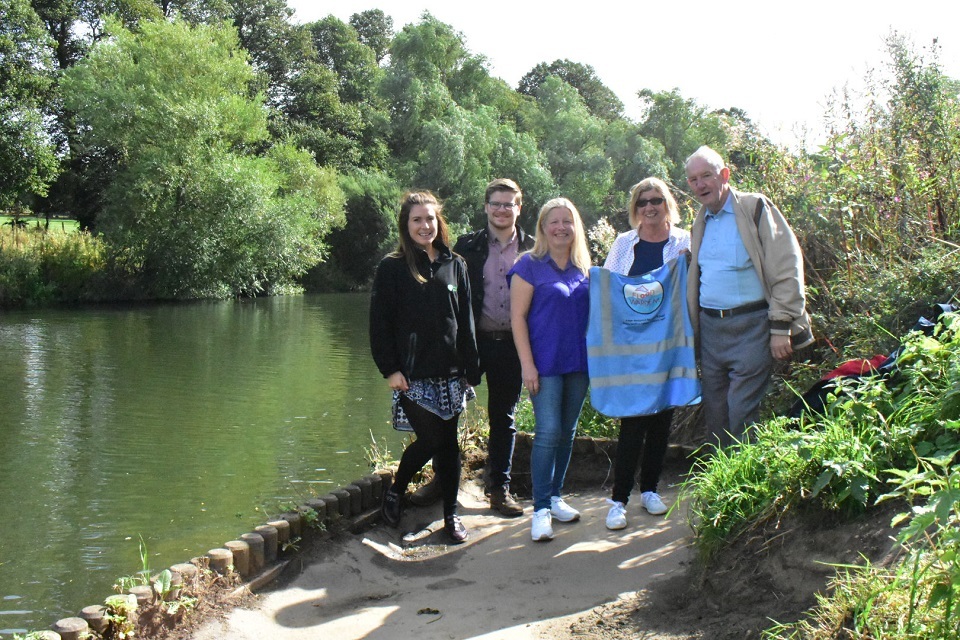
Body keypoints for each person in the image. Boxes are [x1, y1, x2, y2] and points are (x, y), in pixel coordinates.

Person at [369, 191, 482, 544]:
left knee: (449, 447)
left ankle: (450, 516)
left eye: (430, 219)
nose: (424, 225)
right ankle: (397, 488)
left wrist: (471, 367)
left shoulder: (455, 265)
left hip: (450, 373)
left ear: (439, 222)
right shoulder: (392, 267)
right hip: (411, 375)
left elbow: (465, 321)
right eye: (417, 219)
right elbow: (379, 324)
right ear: (406, 224)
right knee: (432, 439)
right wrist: (390, 369)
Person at [685, 146, 812, 448]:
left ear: (725, 175)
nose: (700, 185)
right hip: (712, 330)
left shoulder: (755, 208)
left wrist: (781, 326)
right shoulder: (700, 220)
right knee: (715, 412)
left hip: (753, 326)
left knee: (741, 408)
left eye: (707, 176)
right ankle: (719, 485)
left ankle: (745, 483)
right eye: (693, 180)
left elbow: (786, 266)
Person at [601, 178, 691, 530]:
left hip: (670, 344)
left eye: (656, 200)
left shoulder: (685, 240)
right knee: (633, 420)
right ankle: (618, 499)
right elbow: (609, 286)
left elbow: (694, 281)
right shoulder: (625, 242)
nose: (649, 207)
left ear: (667, 202)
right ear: (634, 208)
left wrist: (689, 263)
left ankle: (651, 489)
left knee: (661, 419)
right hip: (631, 347)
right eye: (642, 202)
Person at [508, 197, 591, 542]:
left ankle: (556, 497)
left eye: (567, 221)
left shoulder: (584, 268)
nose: (561, 227)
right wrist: (527, 365)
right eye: (553, 221)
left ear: (576, 228)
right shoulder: (528, 265)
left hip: (579, 364)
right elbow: (517, 319)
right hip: (545, 365)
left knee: (567, 432)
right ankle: (540, 510)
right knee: (548, 432)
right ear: (542, 227)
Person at [453, 179, 534, 517]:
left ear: (519, 207)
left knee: (504, 418)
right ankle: (446, 479)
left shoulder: (534, 248)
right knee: (448, 413)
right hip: (472, 342)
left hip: (513, 345)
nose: (502, 210)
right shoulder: (465, 247)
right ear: (486, 206)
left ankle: (499, 489)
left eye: (508, 204)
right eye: (496, 203)